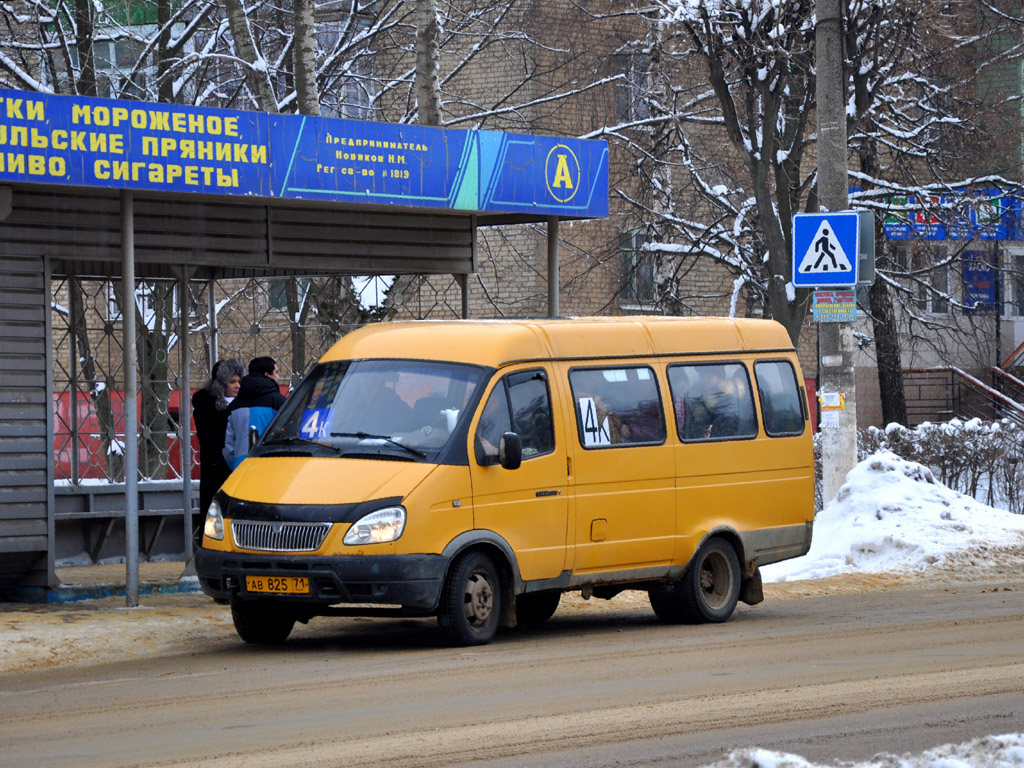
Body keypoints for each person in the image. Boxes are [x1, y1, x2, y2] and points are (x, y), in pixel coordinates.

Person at [191, 358, 245, 546]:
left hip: (237, 467)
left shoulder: (243, 403)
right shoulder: (206, 406)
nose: (237, 386)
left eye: (239, 381)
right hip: (216, 467)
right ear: (221, 385)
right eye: (232, 382)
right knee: (214, 511)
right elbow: (208, 437)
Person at [223, 356, 287, 470]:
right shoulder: (280, 403)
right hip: (273, 468)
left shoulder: (233, 407)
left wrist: (235, 465)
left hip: (241, 470)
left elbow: (228, 447)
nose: (277, 377)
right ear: (267, 375)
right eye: (276, 372)